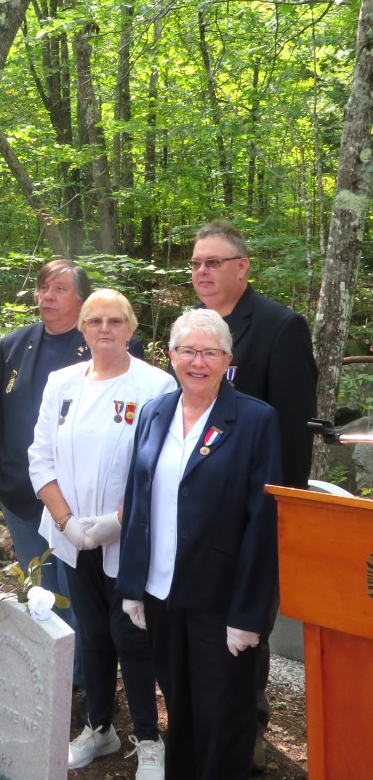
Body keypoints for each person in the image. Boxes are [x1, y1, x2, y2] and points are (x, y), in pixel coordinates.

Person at [117, 309, 282, 780]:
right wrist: (133, 585)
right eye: (188, 351)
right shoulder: (154, 412)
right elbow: (138, 500)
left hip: (221, 603)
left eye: (210, 352)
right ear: (171, 356)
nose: (198, 362)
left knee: (224, 719)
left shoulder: (254, 420)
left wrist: (249, 615)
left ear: (228, 360)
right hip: (163, 593)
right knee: (181, 711)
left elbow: (263, 522)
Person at [28, 290, 175, 778]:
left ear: (132, 328)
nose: (104, 329)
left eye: (115, 320)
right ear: (82, 329)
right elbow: (40, 457)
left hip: (128, 535)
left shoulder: (155, 385)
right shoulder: (60, 382)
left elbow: (155, 468)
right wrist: (68, 522)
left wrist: (116, 522)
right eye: (94, 321)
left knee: (131, 635)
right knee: (91, 636)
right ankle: (98, 727)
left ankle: (148, 738)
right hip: (72, 535)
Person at [189, 220, 317, 768]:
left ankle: (248, 741)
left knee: (243, 637)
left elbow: (291, 442)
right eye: (195, 264)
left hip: (249, 522)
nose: (202, 273)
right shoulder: (193, 330)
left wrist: (270, 523)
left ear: (242, 268)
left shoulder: (278, 328)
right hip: (194, 522)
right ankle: (202, 733)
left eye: (213, 263)